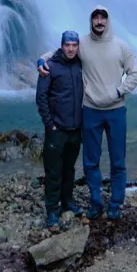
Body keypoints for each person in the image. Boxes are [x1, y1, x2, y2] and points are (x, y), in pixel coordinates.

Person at [78, 5, 137, 221]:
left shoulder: (120, 46)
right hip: (90, 109)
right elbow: (59, 53)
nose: (99, 21)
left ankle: (115, 203)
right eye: (95, 17)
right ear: (91, 21)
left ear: (108, 21)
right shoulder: (82, 44)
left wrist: (119, 91)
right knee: (90, 161)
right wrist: (42, 61)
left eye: (102, 17)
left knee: (118, 161)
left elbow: (135, 73)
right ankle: (96, 202)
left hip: (115, 111)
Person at [35, 30, 83, 229]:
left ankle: (68, 202)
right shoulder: (50, 67)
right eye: (67, 45)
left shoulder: (81, 65)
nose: (71, 49)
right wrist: (50, 124)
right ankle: (52, 210)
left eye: (74, 45)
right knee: (53, 172)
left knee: (69, 169)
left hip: (76, 128)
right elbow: (41, 98)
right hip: (57, 129)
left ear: (78, 46)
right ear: (61, 46)